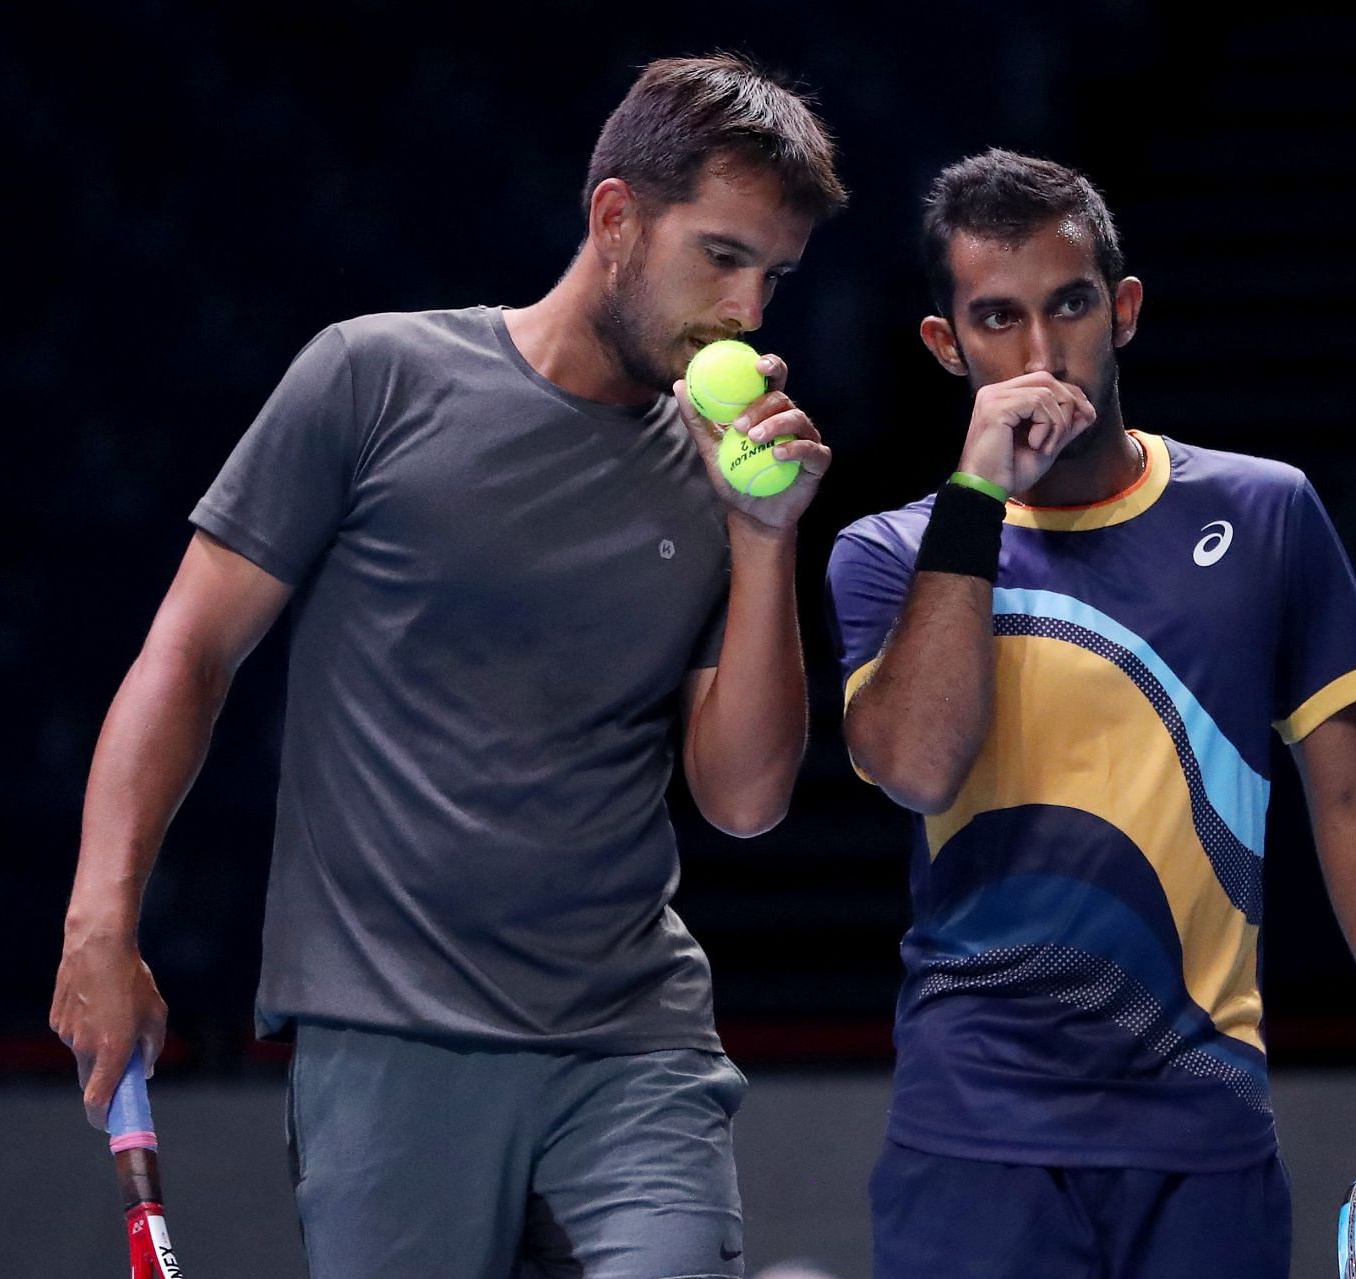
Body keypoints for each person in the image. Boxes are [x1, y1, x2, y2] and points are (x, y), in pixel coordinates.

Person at [48, 53, 844, 1279]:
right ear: (617, 220)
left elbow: (745, 797)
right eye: (722, 257)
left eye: (774, 277)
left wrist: (763, 540)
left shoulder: (723, 473)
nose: (747, 312)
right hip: (389, 1042)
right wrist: (101, 920)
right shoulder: (373, 379)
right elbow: (191, 650)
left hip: (633, 1043)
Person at [825, 149, 1356, 1278]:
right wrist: (977, 495)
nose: (1039, 355)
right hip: (974, 1143)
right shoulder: (888, 556)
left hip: (1205, 1136)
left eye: (1068, 305)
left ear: (1121, 311)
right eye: (997, 318)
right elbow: (918, 765)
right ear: (946, 344)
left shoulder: (1266, 513)